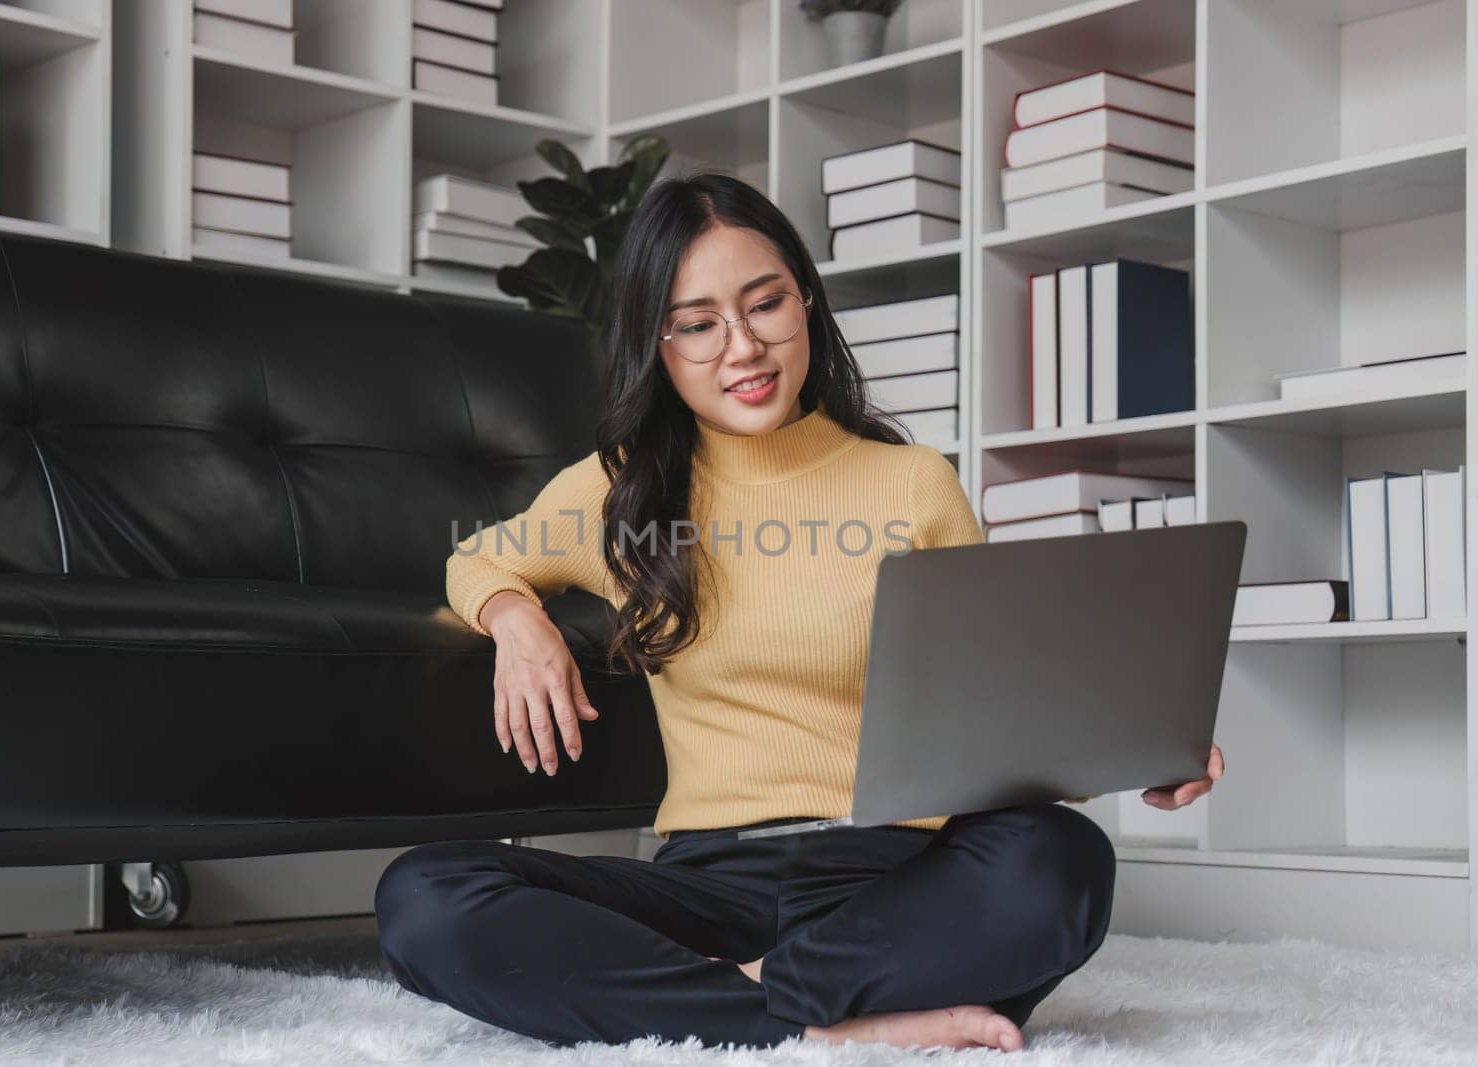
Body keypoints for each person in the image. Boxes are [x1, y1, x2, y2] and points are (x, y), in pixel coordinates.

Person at [374, 171, 1225, 1053]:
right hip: (706, 886)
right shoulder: (625, 487)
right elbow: (478, 556)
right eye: (697, 324)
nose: (741, 347)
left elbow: (995, 705)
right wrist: (519, 619)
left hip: (894, 877)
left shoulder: (913, 482)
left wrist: (1133, 750)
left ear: (807, 303)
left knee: (1061, 858)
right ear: (657, 345)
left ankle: (742, 1003)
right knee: (424, 896)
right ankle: (834, 1026)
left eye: (765, 304)